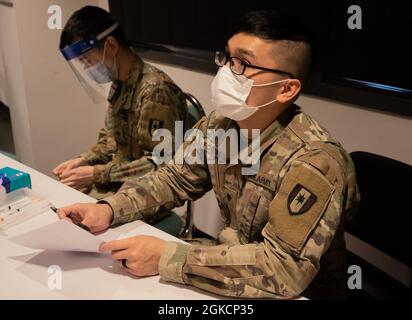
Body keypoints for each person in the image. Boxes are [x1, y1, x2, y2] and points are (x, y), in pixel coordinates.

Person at [58, 11, 360, 299]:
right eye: (227, 58)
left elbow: (282, 268)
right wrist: (109, 208)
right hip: (229, 271)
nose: (227, 71)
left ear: (286, 89)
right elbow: (174, 178)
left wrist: (168, 257)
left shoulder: (316, 160)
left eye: (243, 63)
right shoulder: (222, 125)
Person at [52, 6, 187, 200]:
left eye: (86, 60)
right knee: (62, 201)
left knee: (80, 219)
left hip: (149, 192)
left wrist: (96, 174)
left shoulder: (156, 91)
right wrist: (83, 161)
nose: (87, 68)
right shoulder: (120, 84)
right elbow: (111, 141)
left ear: (112, 46)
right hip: (119, 184)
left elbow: (161, 163)